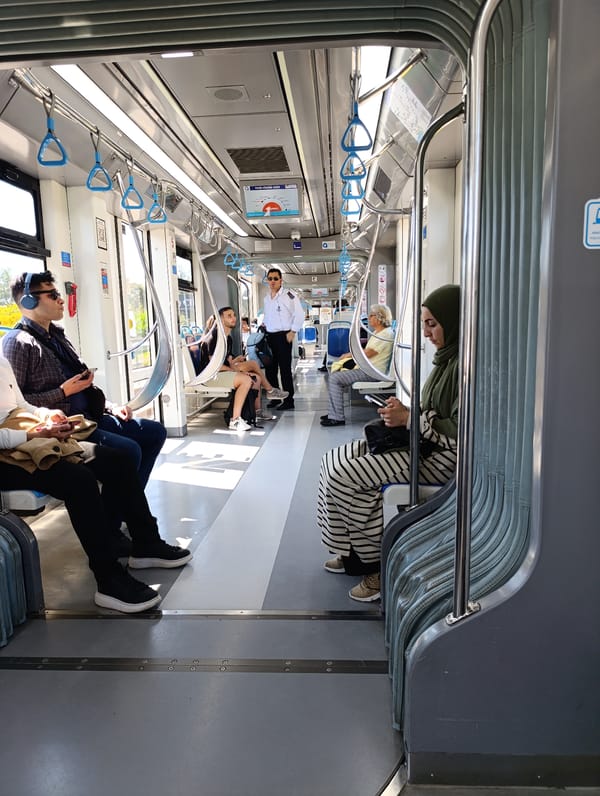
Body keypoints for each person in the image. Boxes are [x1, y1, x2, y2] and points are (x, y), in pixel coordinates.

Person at [0, 354, 192, 613]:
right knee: (79, 480)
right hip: (8, 452)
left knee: (117, 460)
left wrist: (46, 415)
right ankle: (108, 577)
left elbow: (20, 404)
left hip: (27, 434)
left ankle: (146, 543)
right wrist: (31, 434)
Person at [317, 284, 460, 602]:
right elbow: (430, 414)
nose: (426, 334)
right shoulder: (445, 361)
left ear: (454, 321)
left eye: (432, 324)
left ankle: (375, 567)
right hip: (423, 442)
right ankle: (351, 551)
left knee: (346, 477)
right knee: (332, 460)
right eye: (424, 324)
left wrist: (410, 419)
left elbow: (457, 431)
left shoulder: (464, 368)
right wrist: (407, 413)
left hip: (438, 458)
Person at [3, 271, 167, 492]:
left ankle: (126, 508)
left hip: (92, 415)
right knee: (129, 450)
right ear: (29, 301)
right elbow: (18, 405)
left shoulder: (57, 336)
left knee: (155, 432)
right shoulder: (18, 343)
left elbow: (83, 385)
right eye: (52, 295)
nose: (61, 299)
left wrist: (112, 407)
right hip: (68, 424)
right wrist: (62, 392)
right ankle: (118, 516)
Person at [202, 306, 288, 430]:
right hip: (211, 375)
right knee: (246, 379)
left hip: (222, 371)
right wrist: (236, 371)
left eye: (234, 315)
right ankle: (235, 420)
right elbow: (213, 365)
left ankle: (257, 411)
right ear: (220, 320)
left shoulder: (228, 338)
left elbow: (229, 361)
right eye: (229, 316)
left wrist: (237, 369)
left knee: (256, 377)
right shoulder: (214, 337)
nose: (234, 318)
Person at [320, 304, 395, 426]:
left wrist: (348, 355)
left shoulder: (386, 334)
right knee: (336, 375)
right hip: (368, 369)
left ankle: (337, 417)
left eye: (371, 316)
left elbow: (368, 353)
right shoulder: (379, 332)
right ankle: (333, 413)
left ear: (379, 317)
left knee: (335, 378)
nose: (369, 319)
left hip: (372, 372)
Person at [262, 267, 304, 410]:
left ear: (281, 280)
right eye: (270, 278)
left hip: (283, 336)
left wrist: (293, 331)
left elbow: (299, 314)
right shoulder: (267, 298)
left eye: (275, 278)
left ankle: (288, 401)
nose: (272, 281)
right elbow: (268, 316)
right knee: (270, 369)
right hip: (270, 336)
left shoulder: (289, 295)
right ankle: (275, 397)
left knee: (285, 369)